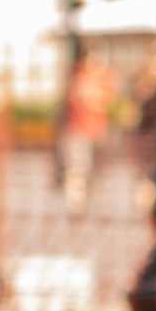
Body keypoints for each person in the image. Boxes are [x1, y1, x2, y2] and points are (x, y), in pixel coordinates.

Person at [58, 48, 114, 212]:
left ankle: (86, 199)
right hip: (78, 128)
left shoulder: (105, 77)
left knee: (92, 169)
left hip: (96, 129)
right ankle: (76, 203)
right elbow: (76, 98)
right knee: (77, 167)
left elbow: (106, 100)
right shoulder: (79, 75)